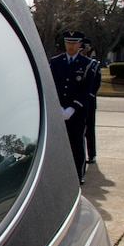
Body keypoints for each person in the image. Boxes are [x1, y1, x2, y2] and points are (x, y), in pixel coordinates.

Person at [50, 30, 97, 184]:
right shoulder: (55, 62)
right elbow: (51, 86)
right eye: (68, 43)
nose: (70, 46)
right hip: (58, 110)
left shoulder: (87, 64)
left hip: (76, 112)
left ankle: (78, 174)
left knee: (77, 143)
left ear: (80, 44)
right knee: (57, 144)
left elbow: (86, 89)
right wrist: (58, 107)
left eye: (74, 43)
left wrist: (72, 108)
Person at [80, 38, 101, 164]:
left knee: (89, 128)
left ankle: (91, 154)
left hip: (89, 101)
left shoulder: (93, 64)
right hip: (77, 102)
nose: (83, 50)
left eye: (84, 48)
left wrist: (89, 95)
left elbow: (96, 83)